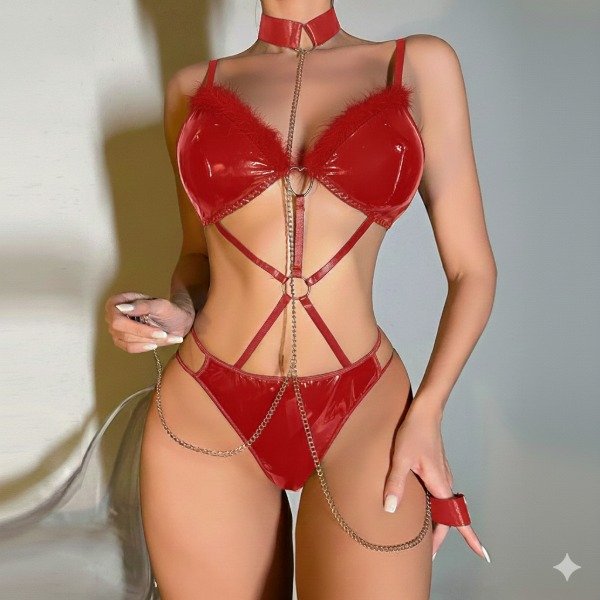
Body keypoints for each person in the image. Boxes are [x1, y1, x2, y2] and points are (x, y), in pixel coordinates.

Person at [105, 1, 497, 597]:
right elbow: (198, 257)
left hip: (364, 409)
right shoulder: (192, 90)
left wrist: (428, 412)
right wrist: (177, 313)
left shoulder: (417, 64)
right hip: (208, 407)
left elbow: (472, 270)